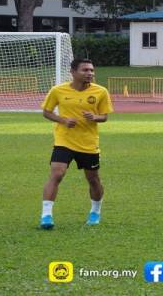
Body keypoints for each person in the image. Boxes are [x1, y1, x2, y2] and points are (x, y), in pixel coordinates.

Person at [39, 58, 113, 229]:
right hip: (64, 140)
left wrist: (95, 117)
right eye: (85, 70)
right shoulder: (58, 91)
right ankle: (46, 216)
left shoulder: (100, 92)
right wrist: (63, 120)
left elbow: (104, 116)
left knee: (93, 179)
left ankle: (95, 211)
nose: (90, 74)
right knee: (57, 174)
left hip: (88, 143)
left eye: (92, 70)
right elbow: (47, 112)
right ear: (73, 72)